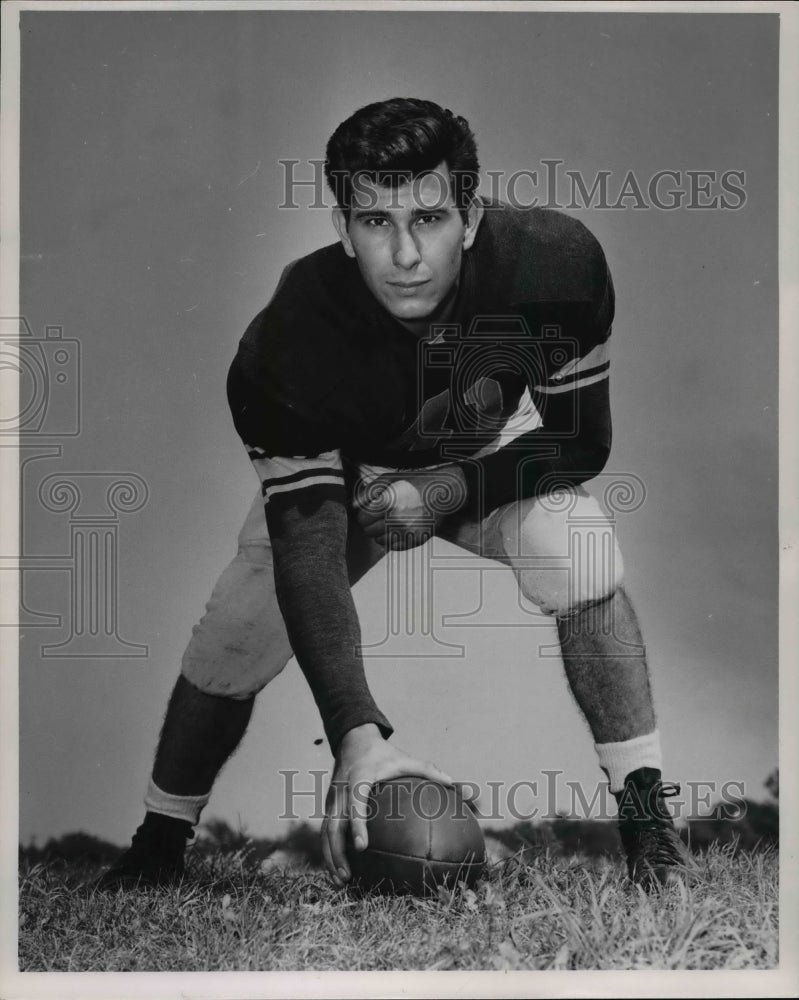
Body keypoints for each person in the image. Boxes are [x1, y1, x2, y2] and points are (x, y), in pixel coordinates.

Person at [98, 97, 689, 893]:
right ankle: (159, 843)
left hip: (483, 454)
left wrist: (445, 486)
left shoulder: (552, 265)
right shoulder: (288, 337)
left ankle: (650, 826)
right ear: (342, 228)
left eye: (430, 217)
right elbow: (308, 546)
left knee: (579, 553)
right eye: (375, 222)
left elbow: (581, 443)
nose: (406, 253)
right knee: (237, 626)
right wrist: (356, 733)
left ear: (472, 216)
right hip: (349, 472)